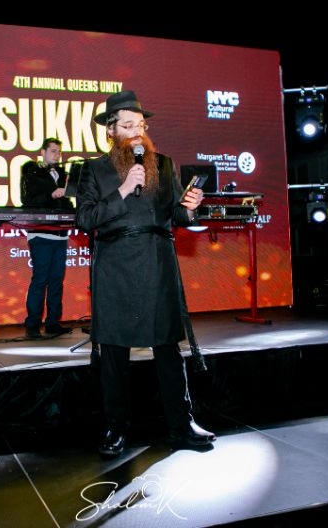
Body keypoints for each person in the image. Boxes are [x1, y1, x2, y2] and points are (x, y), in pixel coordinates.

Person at [75, 90, 216, 456]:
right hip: (115, 265)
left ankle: (182, 425)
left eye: (140, 125)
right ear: (110, 130)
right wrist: (123, 190)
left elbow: (176, 215)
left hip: (157, 260)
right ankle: (116, 428)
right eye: (127, 126)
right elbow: (85, 219)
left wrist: (190, 208)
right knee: (114, 352)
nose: (137, 132)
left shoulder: (164, 165)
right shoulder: (93, 169)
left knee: (167, 347)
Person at [20, 137, 76, 339]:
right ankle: (33, 325)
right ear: (42, 152)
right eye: (53, 151)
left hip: (60, 235)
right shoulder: (32, 172)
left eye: (59, 152)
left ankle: (52, 322)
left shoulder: (62, 174)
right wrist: (51, 195)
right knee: (40, 279)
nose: (57, 155)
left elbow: (65, 202)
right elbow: (28, 201)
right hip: (41, 233)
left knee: (56, 280)